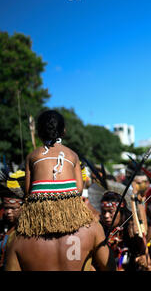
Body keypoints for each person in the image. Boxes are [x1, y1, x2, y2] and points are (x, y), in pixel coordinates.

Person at [5, 110, 114, 271]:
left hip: (37, 215)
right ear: (63, 131)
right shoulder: (73, 155)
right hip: (74, 215)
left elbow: (28, 191)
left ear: (39, 133)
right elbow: (78, 189)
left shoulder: (16, 240)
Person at [100, 191, 149, 271]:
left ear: (121, 212)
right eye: (104, 212)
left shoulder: (131, 230)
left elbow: (143, 253)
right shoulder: (99, 230)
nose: (106, 216)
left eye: (110, 212)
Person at [0, 170, 25, 270]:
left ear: (23, 208)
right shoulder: (2, 225)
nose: (9, 212)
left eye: (13, 208)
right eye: (6, 208)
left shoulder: (27, 231)